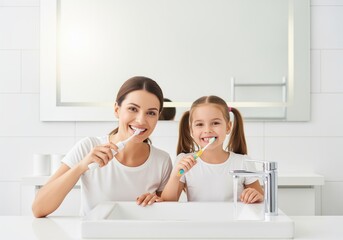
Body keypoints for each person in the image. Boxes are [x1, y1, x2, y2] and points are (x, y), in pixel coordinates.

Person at [32, 76, 173, 217]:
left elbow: (167, 213)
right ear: (117, 110)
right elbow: (38, 208)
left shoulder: (162, 161)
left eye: (151, 113)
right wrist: (82, 166)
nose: (141, 120)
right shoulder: (88, 147)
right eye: (133, 109)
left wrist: (157, 203)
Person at [161, 95, 263, 203]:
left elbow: (260, 199)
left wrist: (256, 196)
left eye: (215, 123)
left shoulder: (243, 162)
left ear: (228, 127)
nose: (207, 130)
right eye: (200, 124)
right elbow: (168, 203)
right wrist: (175, 176)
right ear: (191, 130)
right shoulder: (183, 161)